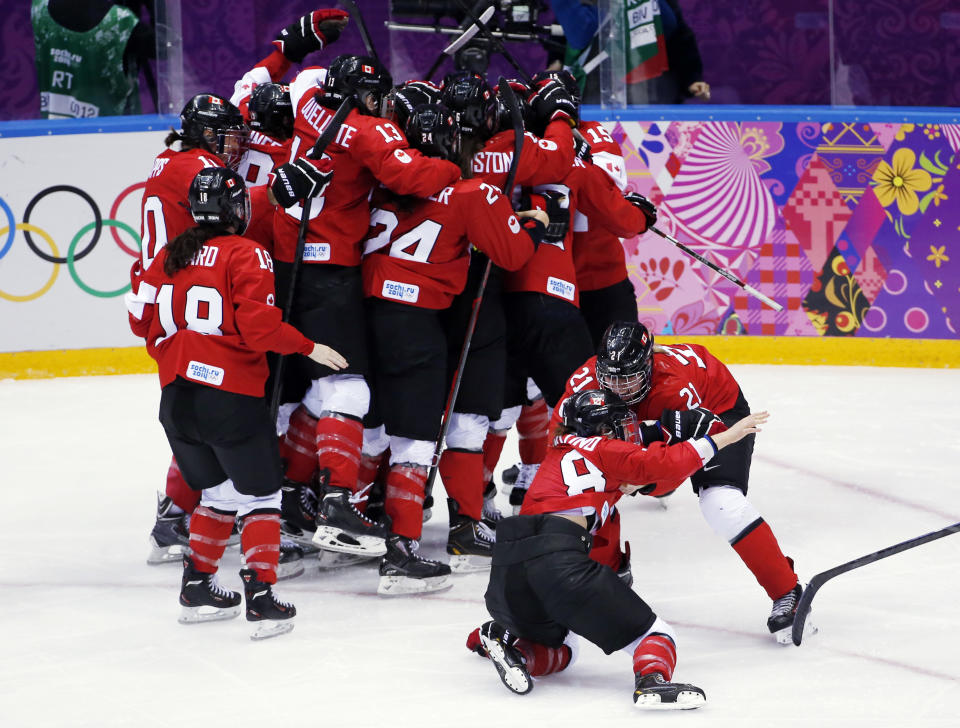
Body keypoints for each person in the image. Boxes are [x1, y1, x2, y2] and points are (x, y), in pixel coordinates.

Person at [126, 166, 347, 639]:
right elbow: (260, 328)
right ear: (235, 211)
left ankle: (198, 589)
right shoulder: (248, 253)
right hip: (229, 401)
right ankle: (263, 599)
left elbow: (140, 322)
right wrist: (308, 346)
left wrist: (182, 355)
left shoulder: (169, 254)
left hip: (176, 401)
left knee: (218, 495)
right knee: (262, 496)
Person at [467, 388, 768, 708]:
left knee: (564, 648)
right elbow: (665, 463)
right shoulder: (609, 450)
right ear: (605, 430)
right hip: (558, 557)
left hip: (508, 562)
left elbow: (635, 436)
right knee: (656, 634)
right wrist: (725, 437)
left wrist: (664, 428)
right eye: (619, 424)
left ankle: (508, 645)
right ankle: (652, 682)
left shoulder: (557, 445)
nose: (629, 429)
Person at [272, 53, 462, 561]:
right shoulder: (368, 132)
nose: (382, 107)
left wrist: (297, 43)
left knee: (309, 394)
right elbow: (414, 179)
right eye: (376, 97)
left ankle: (291, 497)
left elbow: (302, 80)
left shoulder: (308, 104)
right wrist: (453, 163)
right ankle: (333, 501)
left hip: (287, 263)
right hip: (329, 272)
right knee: (348, 390)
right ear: (362, 96)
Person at [361, 103, 550, 592]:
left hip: (366, 316)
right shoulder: (472, 192)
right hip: (417, 325)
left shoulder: (380, 185)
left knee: (367, 421)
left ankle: (348, 510)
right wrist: (532, 224)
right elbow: (511, 253)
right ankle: (401, 551)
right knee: (417, 439)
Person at [141, 92, 332, 572]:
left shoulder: (175, 160)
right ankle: (194, 518)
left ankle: (180, 515)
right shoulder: (194, 166)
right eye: (227, 135)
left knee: (197, 409)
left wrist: (284, 52)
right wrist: (280, 188)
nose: (234, 145)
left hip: (168, 292)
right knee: (227, 413)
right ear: (206, 133)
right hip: (187, 291)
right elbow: (233, 199)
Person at [550, 321, 810, 643]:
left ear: (648, 367)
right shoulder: (584, 382)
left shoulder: (671, 389)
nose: (618, 389)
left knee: (721, 503)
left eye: (628, 379)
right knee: (587, 482)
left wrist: (644, 481)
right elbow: (560, 444)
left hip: (715, 416)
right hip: (653, 425)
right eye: (611, 378)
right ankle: (611, 568)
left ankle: (787, 589)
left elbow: (677, 463)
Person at [551, 0, 710, 105]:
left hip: (650, 93)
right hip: (593, 93)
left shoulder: (654, 3)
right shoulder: (584, 5)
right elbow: (574, 36)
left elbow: (677, 35)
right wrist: (556, 60)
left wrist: (692, 78)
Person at [31, 0, 155, 118]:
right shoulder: (119, 23)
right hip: (112, 134)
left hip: (52, 131)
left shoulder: (39, 7)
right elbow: (166, 47)